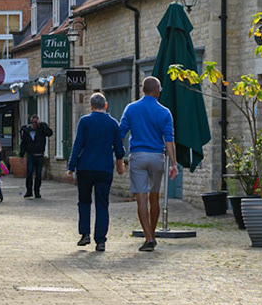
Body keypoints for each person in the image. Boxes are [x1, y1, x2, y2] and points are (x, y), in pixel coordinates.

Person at [119, 75, 178, 252]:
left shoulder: (131, 108)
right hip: (157, 157)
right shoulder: (164, 112)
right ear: (158, 90)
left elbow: (121, 133)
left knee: (141, 198)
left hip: (138, 156)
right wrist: (173, 164)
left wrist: (118, 157)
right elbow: (169, 140)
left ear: (143, 89)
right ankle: (152, 234)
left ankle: (148, 237)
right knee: (154, 196)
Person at [66, 92, 125, 251]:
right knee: (102, 204)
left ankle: (85, 234)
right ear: (106, 105)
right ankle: (101, 241)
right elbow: (119, 148)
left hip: (85, 167)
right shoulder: (113, 123)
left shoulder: (85, 121)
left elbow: (77, 145)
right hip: (104, 169)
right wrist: (120, 161)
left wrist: (71, 167)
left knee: (84, 201)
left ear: (91, 106)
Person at [21, 114, 53, 199]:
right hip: (30, 155)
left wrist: (42, 125)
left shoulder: (42, 129)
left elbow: (49, 133)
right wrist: (22, 153)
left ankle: (37, 191)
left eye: (36, 122)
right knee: (29, 172)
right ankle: (29, 191)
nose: (34, 124)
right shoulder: (27, 130)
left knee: (38, 174)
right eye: (33, 122)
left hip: (39, 155)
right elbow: (24, 142)